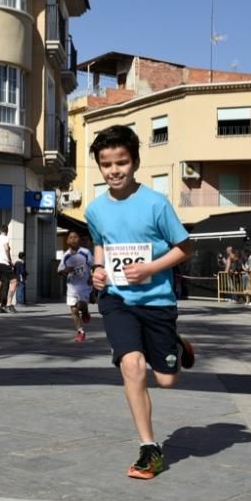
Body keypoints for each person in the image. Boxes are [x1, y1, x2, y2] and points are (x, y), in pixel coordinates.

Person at [85, 125, 194, 480]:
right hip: (117, 299)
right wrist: (98, 270)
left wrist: (150, 267)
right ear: (99, 167)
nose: (114, 170)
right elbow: (101, 243)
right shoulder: (96, 210)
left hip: (158, 302)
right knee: (131, 365)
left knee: (166, 380)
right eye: (106, 164)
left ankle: (176, 345)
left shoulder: (155, 204)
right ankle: (149, 447)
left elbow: (184, 247)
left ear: (135, 162)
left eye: (122, 162)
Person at [58, 230, 93, 342]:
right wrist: (65, 271)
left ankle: (85, 310)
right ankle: (80, 332)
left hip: (84, 285)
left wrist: (92, 277)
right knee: (73, 310)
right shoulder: (66, 256)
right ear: (67, 241)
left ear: (79, 240)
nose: (73, 239)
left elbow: (94, 265)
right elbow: (59, 271)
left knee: (80, 306)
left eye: (75, 237)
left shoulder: (85, 252)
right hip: (72, 287)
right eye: (71, 237)